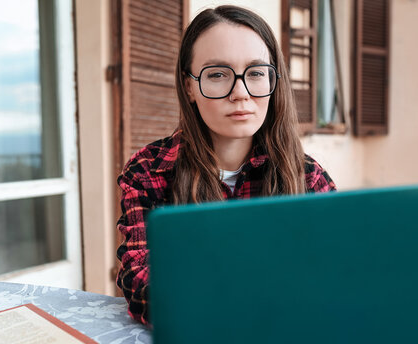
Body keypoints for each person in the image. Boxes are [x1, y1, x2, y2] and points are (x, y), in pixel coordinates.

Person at [116, 5, 336, 326]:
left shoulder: (308, 178)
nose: (240, 93)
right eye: (217, 75)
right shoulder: (148, 171)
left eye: (256, 73)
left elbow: (331, 276)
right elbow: (141, 282)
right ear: (189, 86)